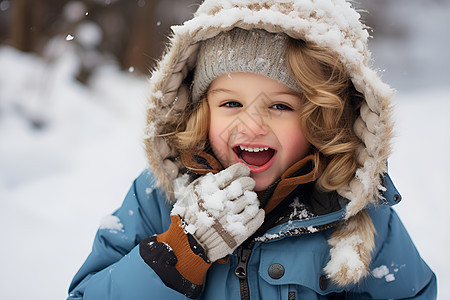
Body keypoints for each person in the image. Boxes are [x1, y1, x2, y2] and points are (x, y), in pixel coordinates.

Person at [68, 0, 437, 299]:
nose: (252, 125)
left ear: (322, 120)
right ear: (202, 111)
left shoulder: (357, 212)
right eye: (231, 104)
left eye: (280, 106)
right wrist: (180, 253)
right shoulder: (159, 198)